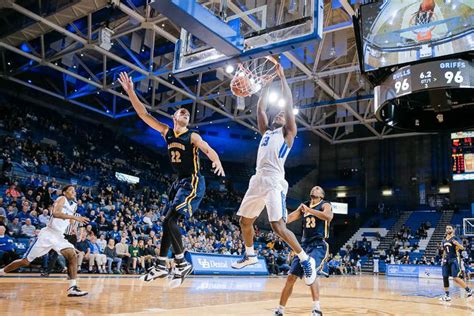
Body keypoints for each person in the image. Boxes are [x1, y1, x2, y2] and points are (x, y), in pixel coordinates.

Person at [119, 72, 225, 287]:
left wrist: (217, 160)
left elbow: (207, 148)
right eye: (181, 112)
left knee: (170, 220)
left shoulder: (192, 136)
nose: (185, 113)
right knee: (167, 222)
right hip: (178, 184)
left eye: (187, 114)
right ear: (174, 117)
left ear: (187, 121)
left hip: (193, 181)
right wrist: (130, 91)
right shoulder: (166, 132)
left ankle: (181, 262)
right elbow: (143, 114)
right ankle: (160, 264)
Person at [231, 58, 317, 286]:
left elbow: (288, 103)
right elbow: (260, 108)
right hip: (257, 178)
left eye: (282, 115)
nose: (279, 114)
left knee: (278, 226)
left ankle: (305, 259)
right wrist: (266, 83)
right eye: (277, 114)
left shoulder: (288, 132)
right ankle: (249, 255)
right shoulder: (267, 132)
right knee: (244, 221)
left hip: (275, 181)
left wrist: (281, 76)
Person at [0, 185, 89, 297]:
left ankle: (73, 287)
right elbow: (55, 214)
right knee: (25, 261)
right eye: (71, 190)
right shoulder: (61, 199)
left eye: (74, 191)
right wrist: (75, 218)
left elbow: (70, 219)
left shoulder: (74, 205)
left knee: (72, 255)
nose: (74, 192)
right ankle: (2, 272)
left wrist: (74, 228)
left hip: (59, 236)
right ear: (65, 192)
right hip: (48, 234)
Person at [274, 186, 333, 316]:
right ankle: (280, 310)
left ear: (321, 196)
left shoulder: (325, 204)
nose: (315, 188)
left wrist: (309, 210)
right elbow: (288, 219)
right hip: (303, 247)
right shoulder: (304, 206)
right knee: (290, 278)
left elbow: (328, 216)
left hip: (318, 244)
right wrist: (277, 215)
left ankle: (317, 309)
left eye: (318, 189)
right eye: (313, 190)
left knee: (312, 273)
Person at [439, 225, 472, 301]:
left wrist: (457, 244)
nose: (448, 229)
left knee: (455, 278)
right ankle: (447, 295)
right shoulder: (444, 240)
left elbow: (462, 248)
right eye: (447, 228)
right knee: (445, 277)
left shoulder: (455, 238)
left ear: (453, 230)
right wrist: (442, 259)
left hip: (454, 259)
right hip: (445, 260)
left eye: (449, 228)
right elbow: (444, 251)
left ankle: (468, 290)